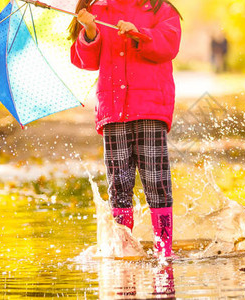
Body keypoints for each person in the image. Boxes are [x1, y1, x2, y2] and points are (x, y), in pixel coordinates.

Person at [68, 0, 182, 258]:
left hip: (150, 107)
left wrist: (138, 33)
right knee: (119, 183)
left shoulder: (159, 9)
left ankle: (164, 248)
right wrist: (89, 31)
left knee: (156, 180)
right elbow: (84, 60)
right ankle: (123, 248)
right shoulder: (96, 10)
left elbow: (168, 45)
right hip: (113, 110)